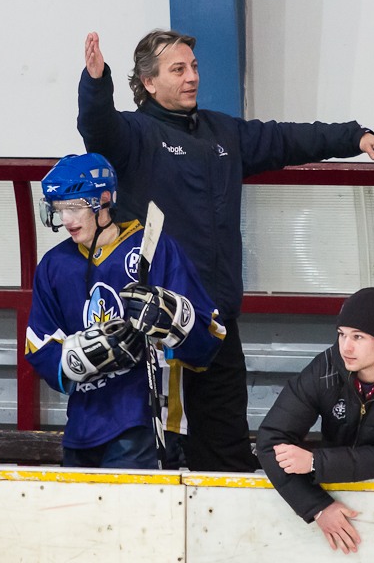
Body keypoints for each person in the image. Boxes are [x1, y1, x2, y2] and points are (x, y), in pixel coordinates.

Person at [77, 30, 374, 472]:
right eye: (178, 69)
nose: (192, 77)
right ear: (148, 83)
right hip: (157, 330)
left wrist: (354, 138)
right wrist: (96, 83)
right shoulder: (134, 134)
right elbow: (97, 128)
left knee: (225, 452)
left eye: (194, 67)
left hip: (216, 321)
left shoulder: (223, 132)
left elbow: (286, 139)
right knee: (154, 453)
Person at [24, 153, 224, 468]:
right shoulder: (53, 265)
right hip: (82, 426)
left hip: (144, 418)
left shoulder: (155, 249)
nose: (67, 219)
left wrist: (175, 321)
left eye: (74, 207)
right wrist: (77, 357)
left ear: (104, 200)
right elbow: (39, 346)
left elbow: (209, 341)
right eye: (60, 209)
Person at [256, 287, 374, 554]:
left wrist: (314, 462)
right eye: (341, 334)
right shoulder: (326, 368)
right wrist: (318, 507)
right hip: (337, 502)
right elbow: (269, 440)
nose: (346, 347)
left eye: (358, 336)